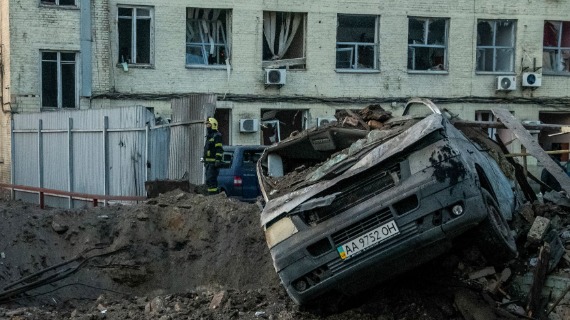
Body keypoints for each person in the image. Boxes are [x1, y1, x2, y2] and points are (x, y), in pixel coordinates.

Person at [203, 117, 223, 195]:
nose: (207, 126)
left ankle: (213, 197)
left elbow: (219, 149)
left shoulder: (216, 136)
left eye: (208, 124)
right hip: (208, 163)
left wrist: (218, 160)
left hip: (213, 164)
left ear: (213, 125)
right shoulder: (209, 136)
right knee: (208, 181)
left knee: (211, 181)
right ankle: (210, 197)